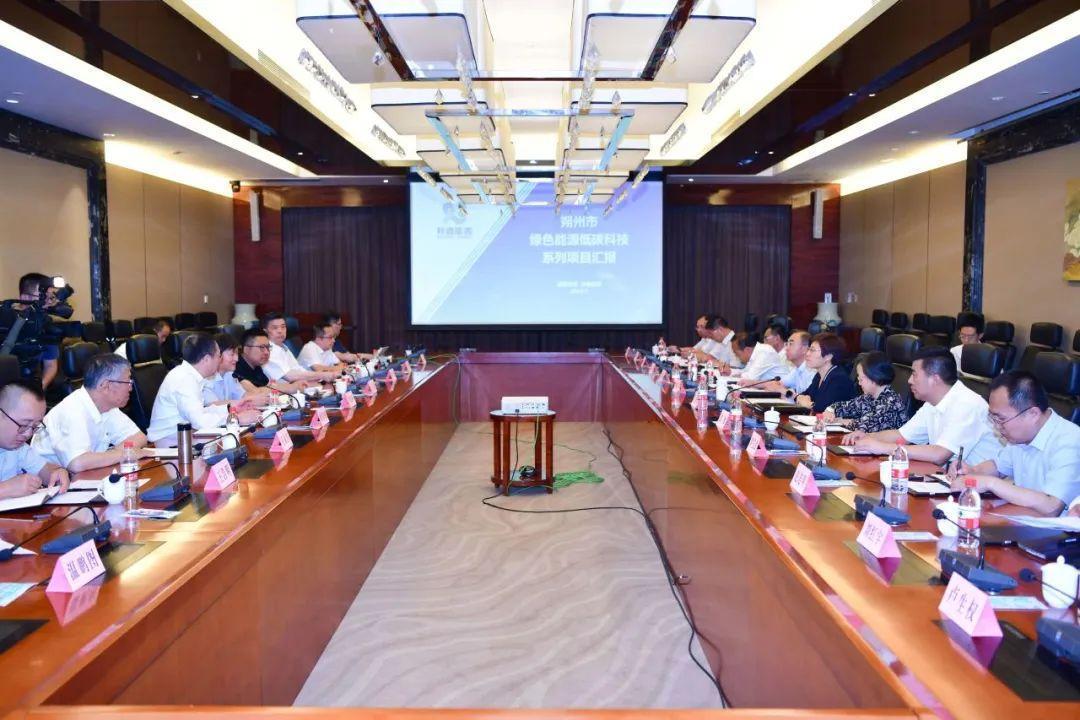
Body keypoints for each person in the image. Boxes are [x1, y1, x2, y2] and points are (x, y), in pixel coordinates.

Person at [951, 371, 1080, 516]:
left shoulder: (1070, 441)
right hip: (1022, 518)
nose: (997, 426)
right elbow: (998, 467)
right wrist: (972, 471)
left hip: (1055, 528)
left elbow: (1052, 507)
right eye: (993, 418)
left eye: (1001, 419)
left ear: (1033, 414)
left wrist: (990, 483)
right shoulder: (1021, 435)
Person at [843, 347, 1001, 465]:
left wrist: (882, 447)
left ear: (935, 379)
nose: (909, 380)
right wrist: (867, 437)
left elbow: (939, 454)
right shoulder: (932, 402)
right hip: (948, 479)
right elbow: (901, 435)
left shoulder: (967, 404)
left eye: (914, 374)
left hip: (980, 491)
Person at [32, 354, 150, 472]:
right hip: (47, 480)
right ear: (105, 386)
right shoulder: (72, 409)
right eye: (127, 382)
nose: (130, 388)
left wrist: (109, 456)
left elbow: (139, 437)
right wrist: (123, 454)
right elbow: (77, 463)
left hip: (86, 474)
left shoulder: (108, 406)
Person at [147, 334, 261, 446]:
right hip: (172, 444)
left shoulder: (189, 375)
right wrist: (237, 418)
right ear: (206, 359)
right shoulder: (184, 379)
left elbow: (200, 412)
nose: (220, 360)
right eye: (218, 356)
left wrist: (230, 408)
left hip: (186, 437)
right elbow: (200, 422)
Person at [0, 380, 70, 498]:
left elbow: (43, 469)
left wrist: (58, 472)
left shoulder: (19, 448)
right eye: (24, 425)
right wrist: (5, 489)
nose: (28, 434)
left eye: (34, 427)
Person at [822, 352, 907, 433]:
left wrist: (839, 420)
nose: (859, 383)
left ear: (874, 377)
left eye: (861, 379)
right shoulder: (869, 397)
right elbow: (842, 406)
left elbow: (863, 426)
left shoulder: (890, 403)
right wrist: (830, 411)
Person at [13, 273, 62, 389]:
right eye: (44, 296)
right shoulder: (6, 319)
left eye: (52, 297)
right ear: (25, 298)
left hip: (30, 384)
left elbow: (50, 365)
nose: (49, 302)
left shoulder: (46, 323)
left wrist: (38, 390)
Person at [262, 313, 336, 385]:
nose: (280, 331)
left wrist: (320, 378)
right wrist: (321, 375)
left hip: (297, 388)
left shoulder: (283, 347)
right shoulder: (267, 352)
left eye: (283, 327)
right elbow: (290, 376)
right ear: (265, 331)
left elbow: (298, 369)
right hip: (281, 392)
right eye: (275, 328)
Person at [795, 333, 857, 413]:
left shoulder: (839, 379)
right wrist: (801, 398)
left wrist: (808, 404)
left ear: (828, 356)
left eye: (812, 350)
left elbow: (824, 409)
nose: (807, 354)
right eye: (809, 349)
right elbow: (805, 395)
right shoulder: (819, 375)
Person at [203, 333, 270, 406]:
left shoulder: (229, 375)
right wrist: (245, 401)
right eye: (232, 354)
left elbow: (244, 396)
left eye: (237, 354)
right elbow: (213, 405)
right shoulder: (206, 379)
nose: (236, 359)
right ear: (218, 354)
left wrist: (262, 395)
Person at [233, 328, 305, 395]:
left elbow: (269, 386)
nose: (266, 352)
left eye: (268, 347)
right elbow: (256, 393)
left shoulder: (256, 366)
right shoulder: (235, 368)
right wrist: (290, 388)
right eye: (261, 347)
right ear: (246, 349)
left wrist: (295, 386)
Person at [748, 330, 814, 396]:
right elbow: (778, 383)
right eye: (787, 344)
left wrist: (782, 390)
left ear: (804, 349)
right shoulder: (797, 370)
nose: (786, 348)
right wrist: (751, 383)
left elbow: (808, 399)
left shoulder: (811, 371)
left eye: (791, 344)